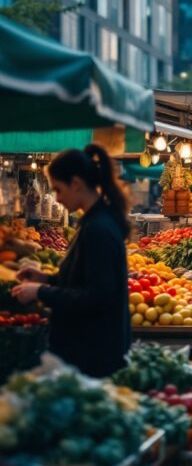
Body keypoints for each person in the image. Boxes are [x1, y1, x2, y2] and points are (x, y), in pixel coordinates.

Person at [12, 144, 130, 378]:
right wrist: (48, 278)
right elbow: (85, 278)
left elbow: (97, 296)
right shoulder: (94, 222)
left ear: (76, 184)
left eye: (58, 189)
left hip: (94, 357)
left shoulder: (98, 229)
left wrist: (41, 292)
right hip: (93, 350)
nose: (57, 198)